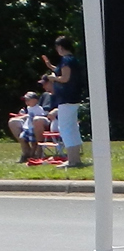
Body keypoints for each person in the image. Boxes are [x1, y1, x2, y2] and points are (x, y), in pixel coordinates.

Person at [43, 36, 85, 167]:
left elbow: (65, 78)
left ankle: (72, 160)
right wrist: (51, 67)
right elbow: (65, 73)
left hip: (66, 98)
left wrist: (53, 78)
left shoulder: (66, 60)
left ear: (60, 47)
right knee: (72, 127)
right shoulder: (72, 60)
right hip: (73, 98)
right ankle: (75, 158)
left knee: (65, 128)